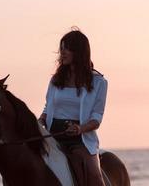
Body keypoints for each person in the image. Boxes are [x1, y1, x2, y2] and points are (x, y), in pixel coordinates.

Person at [38, 28, 108, 186]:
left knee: (94, 176)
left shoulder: (99, 83)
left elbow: (96, 118)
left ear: (79, 52)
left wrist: (79, 129)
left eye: (67, 48)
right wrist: (41, 120)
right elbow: (48, 107)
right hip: (52, 135)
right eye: (61, 48)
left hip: (79, 139)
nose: (62, 53)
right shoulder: (56, 80)